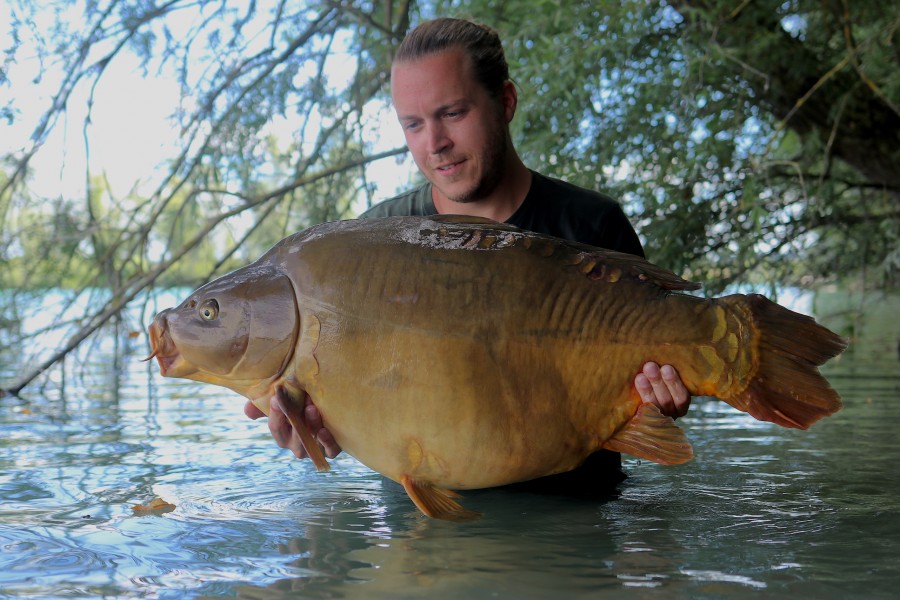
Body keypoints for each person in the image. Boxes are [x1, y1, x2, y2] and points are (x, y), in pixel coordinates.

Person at [244, 17, 691, 491]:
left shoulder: (593, 226)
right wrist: (319, 433)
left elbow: (659, 387)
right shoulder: (373, 240)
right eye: (413, 124)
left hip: (574, 528)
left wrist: (661, 397)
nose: (434, 144)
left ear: (506, 101)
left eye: (452, 113)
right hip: (421, 531)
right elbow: (353, 412)